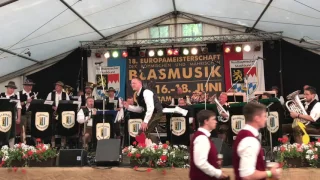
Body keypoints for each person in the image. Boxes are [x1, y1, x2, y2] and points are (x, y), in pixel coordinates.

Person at [233, 103, 281, 180]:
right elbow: (247, 175)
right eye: (264, 116)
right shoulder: (249, 140)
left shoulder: (244, 134)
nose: (266, 119)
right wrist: (270, 173)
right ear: (257, 118)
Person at [189, 109, 228, 180]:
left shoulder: (203, 137)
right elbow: (200, 162)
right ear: (206, 121)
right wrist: (218, 173)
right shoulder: (201, 138)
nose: (216, 122)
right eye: (213, 119)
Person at [122, 77, 163, 142]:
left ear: (140, 83)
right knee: (141, 133)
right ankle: (152, 145)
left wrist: (145, 121)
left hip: (156, 113)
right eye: (131, 83)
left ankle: (156, 144)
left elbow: (150, 107)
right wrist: (128, 107)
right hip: (152, 113)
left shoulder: (146, 92)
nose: (132, 85)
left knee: (142, 132)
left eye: (134, 83)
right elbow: (141, 109)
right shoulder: (138, 95)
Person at [46, 81, 70, 148]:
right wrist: (52, 107)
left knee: (63, 128)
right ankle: (53, 144)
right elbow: (47, 103)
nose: (56, 87)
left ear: (61, 87)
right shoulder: (51, 94)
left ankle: (63, 144)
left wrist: (61, 108)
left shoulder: (65, 95)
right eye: (56, 85)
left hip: (62, 114)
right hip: (53, 113)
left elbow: (68, 104)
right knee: (52, 129)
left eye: (58, 86)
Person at [0, 81, 21, 148]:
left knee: (12, 133)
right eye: (10, 88)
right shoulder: (1, 95)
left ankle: (11, 149)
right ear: (7, 88)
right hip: (2, 118)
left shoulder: (16, 96)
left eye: (13, 88)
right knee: (2, 133)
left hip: (12, 118)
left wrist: (19, 118)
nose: (11, 90)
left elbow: (19, 108)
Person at [16, 79, 37, 144]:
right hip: (22, 114)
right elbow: (18, 105)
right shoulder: (18, 93)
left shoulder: (33, 93)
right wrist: (26, 101)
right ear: (24, 86)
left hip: (31, 114)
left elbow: (36, 104)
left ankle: (37, 144)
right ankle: (23, 145)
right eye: (29, 85)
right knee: (23, 130)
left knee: (34, 129)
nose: (30, 87)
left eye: (31, 86)